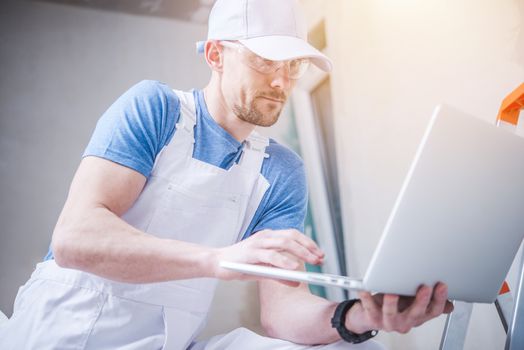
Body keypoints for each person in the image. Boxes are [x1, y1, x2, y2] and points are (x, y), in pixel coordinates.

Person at [0, 0, 453, 349]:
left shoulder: (281, 170)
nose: (281, 83)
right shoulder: (154, 109)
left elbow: (283, 312)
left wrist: (357, 317)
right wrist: (220, 259)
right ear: (216, 54)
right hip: (64, 332)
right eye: (265, 62)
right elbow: (76, 238)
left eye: (292, 66)